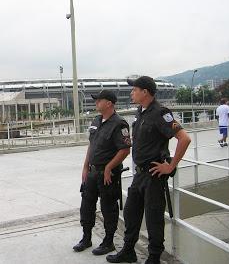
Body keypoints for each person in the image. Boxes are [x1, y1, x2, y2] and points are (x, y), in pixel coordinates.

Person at [107, 76, 191, 264]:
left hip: (153, 174)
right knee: (130, 213)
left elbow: (184, 139)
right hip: (139, 174)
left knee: (153, 218)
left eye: (134, 89)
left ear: (145, 92)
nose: (131, 92)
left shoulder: (160, 113)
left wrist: (170, 166)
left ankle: (154, 257)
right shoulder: (140, 112)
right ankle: (128, 250)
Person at [73, 90, 131, 256]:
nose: (96, 102)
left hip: (108, 175)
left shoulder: (119, 124)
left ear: (109, 103)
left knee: (108, 207)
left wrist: (108, 167)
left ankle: (108, 242)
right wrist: (85, 167)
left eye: (99, 100)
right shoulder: (96, 120)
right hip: (92, 172)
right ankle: (86, 238)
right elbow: (91, 146)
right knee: (86, 205)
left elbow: (125, 150)